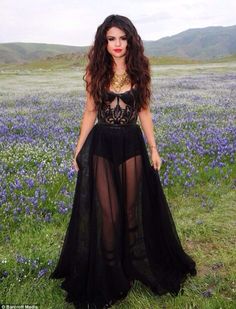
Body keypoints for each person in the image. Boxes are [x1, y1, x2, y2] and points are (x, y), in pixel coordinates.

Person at [49, 14, 197, 309]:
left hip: (131, 145)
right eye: (111, 38)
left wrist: (154, 148)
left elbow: (143, 112)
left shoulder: (140, 70)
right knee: (109, 214)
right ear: (104, 42)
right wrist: (78, 150)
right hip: (101, 146)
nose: (117, 44)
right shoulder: (96, 72)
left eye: (122, 38)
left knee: (131, 211)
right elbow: (90, 112)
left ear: (131, 40)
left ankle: (135, 266)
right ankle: (111, 274)